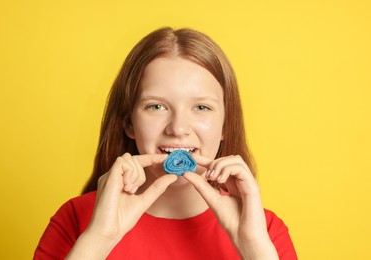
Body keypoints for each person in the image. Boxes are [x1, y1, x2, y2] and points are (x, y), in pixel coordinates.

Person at [34, 27, 297, 259]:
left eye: (202, 107)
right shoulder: (77, 220)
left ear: (225, 126)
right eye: (156, 106)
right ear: (129, 124)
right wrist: (99, 240)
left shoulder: (265, 232)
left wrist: (253, 248)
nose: (178, 129)